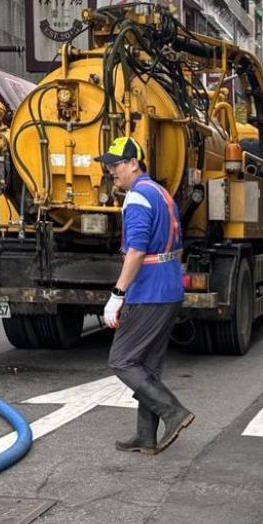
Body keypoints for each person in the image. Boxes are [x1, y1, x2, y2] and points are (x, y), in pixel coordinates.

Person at [98, 136, 193, 455]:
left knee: (122, 360)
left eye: (116, 164)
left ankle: (174, 412)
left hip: (150, 290)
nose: (111, 171)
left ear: (134, 164)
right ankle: (146, 437)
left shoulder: (138, 197)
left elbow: (137, 251)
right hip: (169, 287)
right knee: (148, 365)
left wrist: (117, 294)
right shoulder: (160, 192)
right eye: (109, 165)